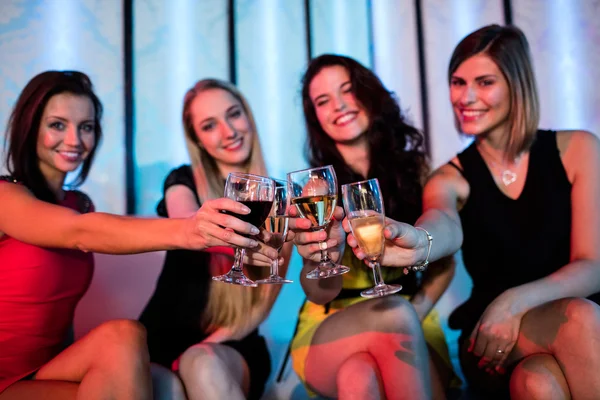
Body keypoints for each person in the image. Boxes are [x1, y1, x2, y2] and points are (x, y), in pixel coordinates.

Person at [345, 25, 600, 399]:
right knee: (580, 319)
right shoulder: (449, 178)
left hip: (545, 320)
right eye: (457, 82)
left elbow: (592, 265)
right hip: (491, 338)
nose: (466, 97)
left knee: (538, 381)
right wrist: (419, 241)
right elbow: (443, 225)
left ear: (517, 84)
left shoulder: (578, 149)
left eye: (484, 82)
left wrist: (513, 302)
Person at [0, 71, 273, 399]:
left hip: (48, 368)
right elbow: (79, 232)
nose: (74, 140)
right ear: (30, 126)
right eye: (58, 125)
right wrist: (194, 231)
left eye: (85, 127)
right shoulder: (6, 196)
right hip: (7, 375)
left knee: (126, 334)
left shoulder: (79, 203)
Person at [288, 54, 459, 400]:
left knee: (359, 375)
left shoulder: (419, 172)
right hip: (330, 323)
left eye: (347, 91)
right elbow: (318, 292)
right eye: (323, 101)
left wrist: (416, 313)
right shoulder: (315, 189)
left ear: (369, 93)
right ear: (315, 118)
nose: (338, 106)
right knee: (388, 323)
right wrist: (317, 258)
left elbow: (446, 261)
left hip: (411, 314)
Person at [139, 78, 295, 400]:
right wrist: (247, 244)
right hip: (160, 337)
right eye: (210, 125)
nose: (229, 131)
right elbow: (186, 221)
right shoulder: (183, 181)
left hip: (231, 343)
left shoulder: (281, 199)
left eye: (233, 114)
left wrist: (206, 347)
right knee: (158, 384)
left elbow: (262, 306)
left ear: (248, 116)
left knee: (201, 364)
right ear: (197, 139)